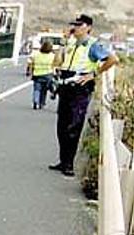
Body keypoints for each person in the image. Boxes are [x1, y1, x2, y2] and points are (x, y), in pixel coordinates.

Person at [48, 14, 118, 176]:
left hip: (80, 89)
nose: (76, 28)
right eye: (75, 25)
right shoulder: (71, 43)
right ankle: (63, 160)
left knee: (74, 125)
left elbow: (112, 59)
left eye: (79, 25)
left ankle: (69, 164)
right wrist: (63, 44)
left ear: (88, 27)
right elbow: (58, 62)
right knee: (62, 126)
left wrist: (94, 74)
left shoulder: (93, 45)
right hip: (65, 87)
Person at [27, 41, 55, 110]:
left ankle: (35, 102)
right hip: (48, 74)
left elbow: (30, 62)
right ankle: (42, 103)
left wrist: (30, 72)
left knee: (37, 89)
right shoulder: (52, 55)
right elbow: (55, 64)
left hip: (37, 74)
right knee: (44, 90)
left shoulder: (36, 54)